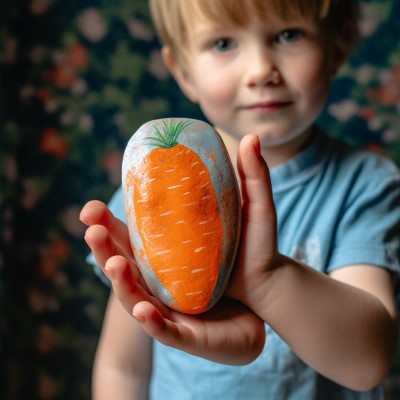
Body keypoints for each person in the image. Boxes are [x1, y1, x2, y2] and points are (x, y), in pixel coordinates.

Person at [80, 0, 400, 398]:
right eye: (224, 43)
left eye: (289, 35)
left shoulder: (364, 186)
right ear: (182, 70)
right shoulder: (144, 194)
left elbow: (367, 364)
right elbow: (123, 367)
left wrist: (265, 281)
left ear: (337, 46)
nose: (261, 70)